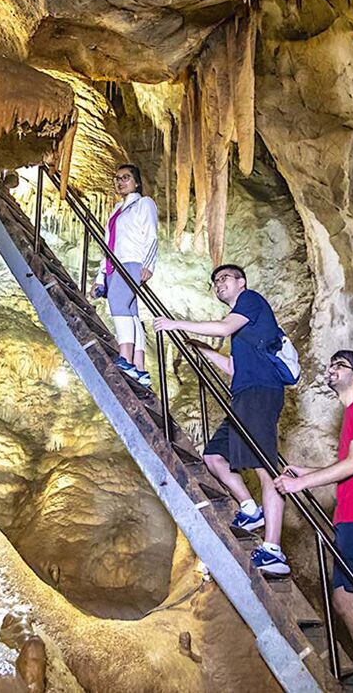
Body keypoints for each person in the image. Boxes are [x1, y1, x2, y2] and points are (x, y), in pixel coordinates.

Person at [153, 264, 291, 576]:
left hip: (261, 393)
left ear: (241, 282)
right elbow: (233, 367)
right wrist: (201, 349)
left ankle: (273, 550)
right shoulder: (245, 331)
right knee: (214, 457)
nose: (219, 284)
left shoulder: (251, 301)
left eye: (225, 278)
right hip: (243, 395)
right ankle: (250, 509)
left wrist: (176, 324)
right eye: (215, 281)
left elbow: (224, 328)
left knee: (265, 469)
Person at [274, 350, 353, 693]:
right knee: (344, 602)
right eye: (331, 365)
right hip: (350, 518)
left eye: (340, 365)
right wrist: (307, 470)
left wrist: (300, 483)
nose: (331, 370)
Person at [92, 164, 158, 388]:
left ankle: (125, 359)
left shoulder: (143, 204)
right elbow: (108, 246)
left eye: (126, 178)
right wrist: (100, 278)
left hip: (131, 262)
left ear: (137, 182)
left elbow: (151, 236)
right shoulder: (116, 211)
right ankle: (139, 368)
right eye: (117, 178)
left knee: (119, 305)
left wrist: (148, 265)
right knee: (130, 313)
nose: (120, 182)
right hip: (114, 265)